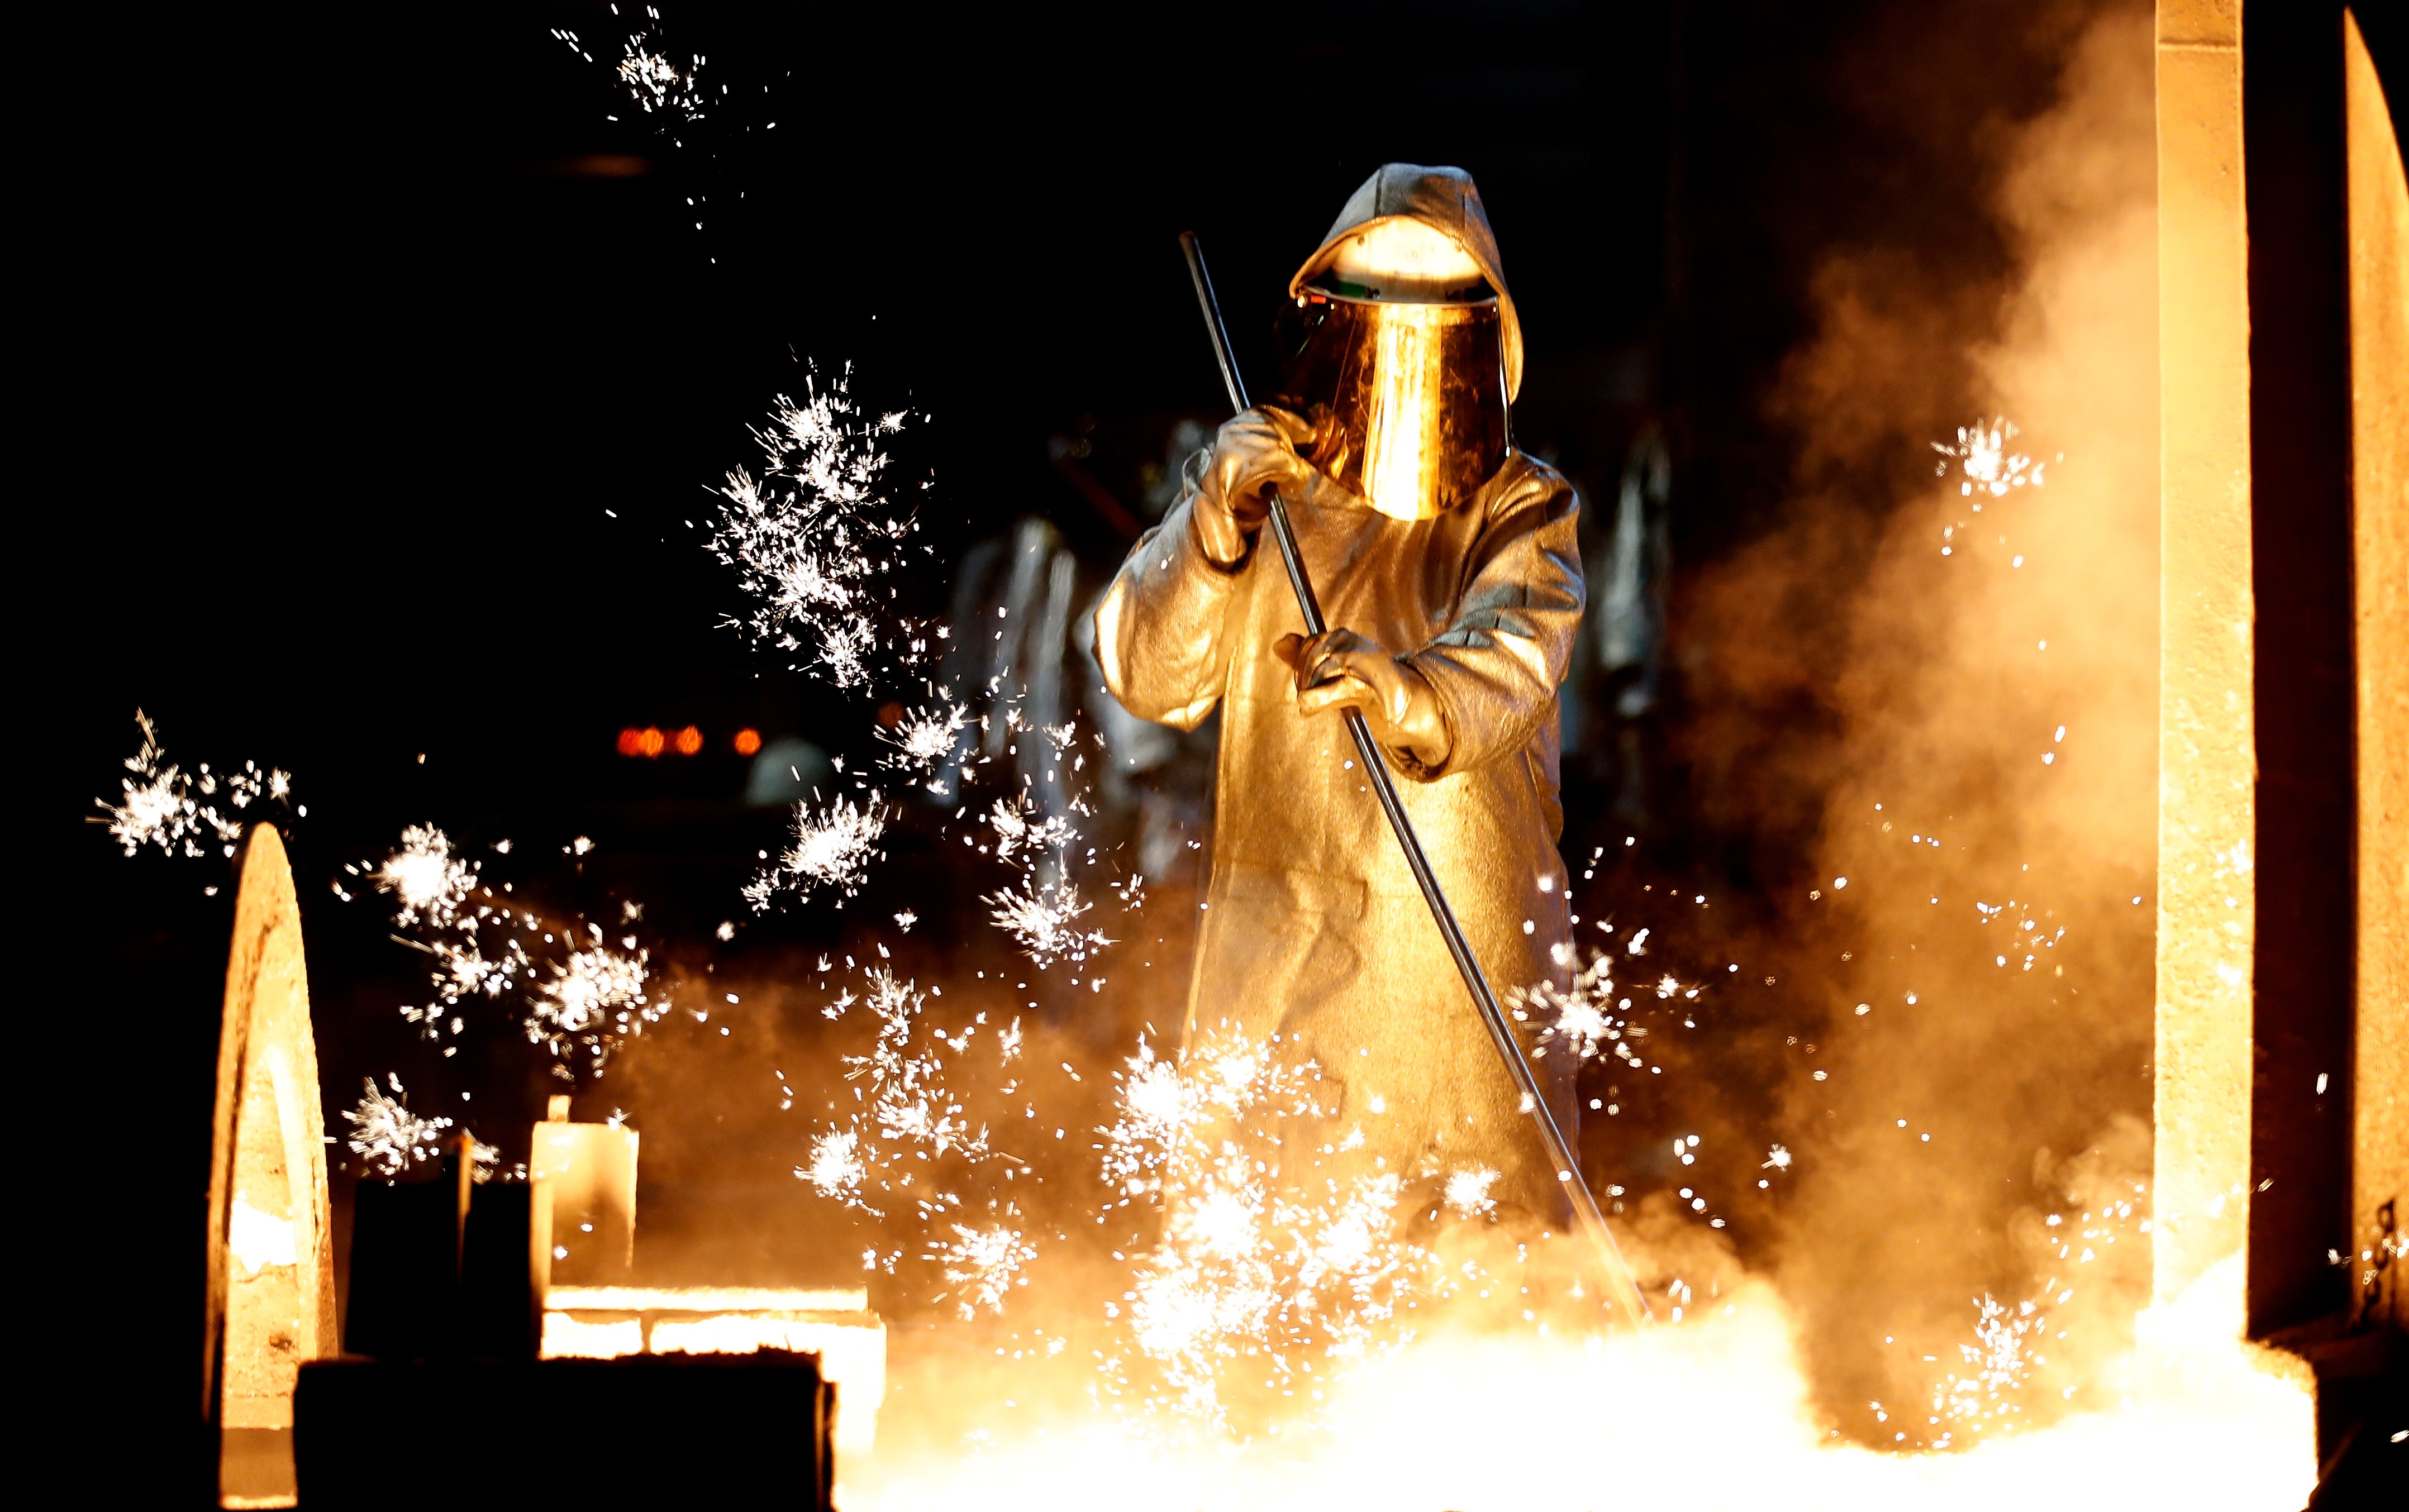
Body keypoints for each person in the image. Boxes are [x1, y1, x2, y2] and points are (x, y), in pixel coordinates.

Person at [1093, 163, 1585, 1224]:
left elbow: (1517, 649)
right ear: (1324, 313)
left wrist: (1406, 691)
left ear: (1484, 338)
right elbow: (1147, 673)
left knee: (1471, 1274)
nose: (1404, 337)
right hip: (1286, 947)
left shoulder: (1520, 505)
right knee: (1276, 1265)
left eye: (1435, 304)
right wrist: (1212, 524)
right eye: (1381, 300)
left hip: (1459, 953)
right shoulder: (1262, 488)